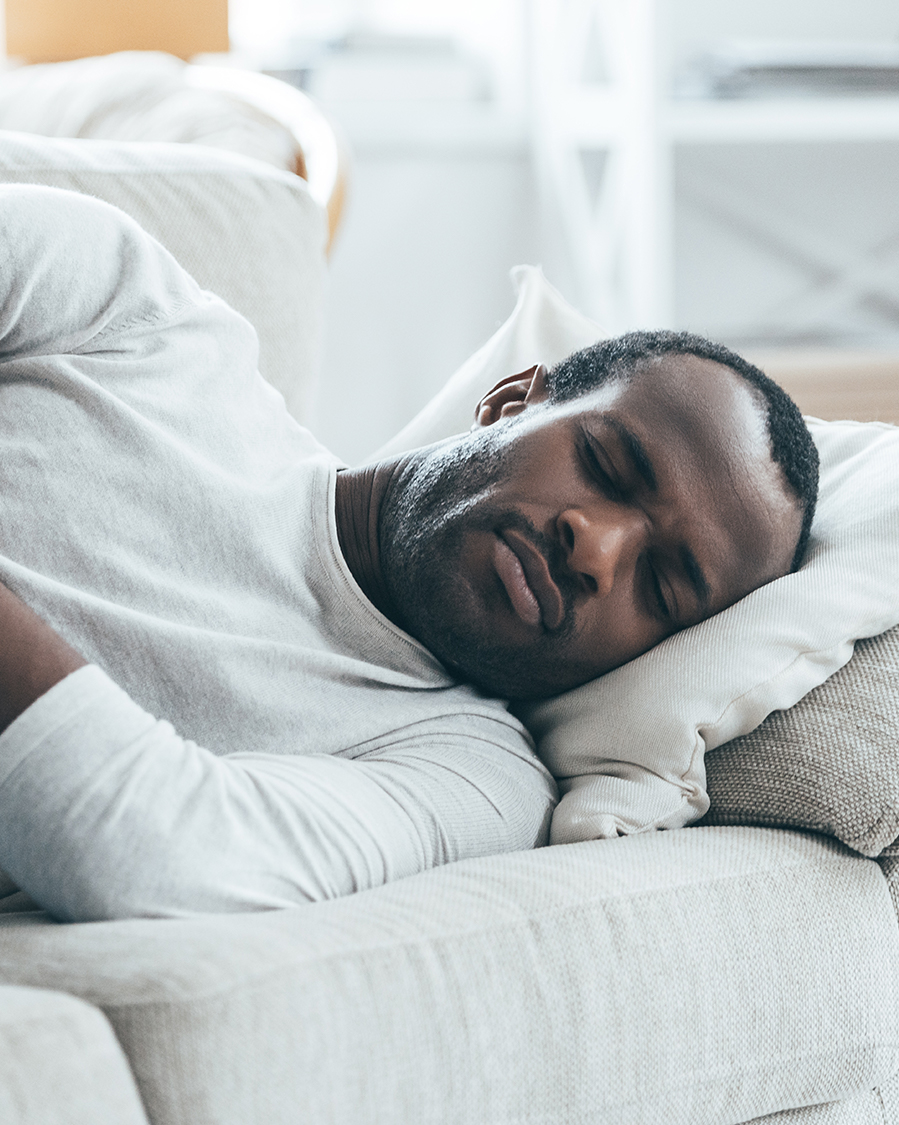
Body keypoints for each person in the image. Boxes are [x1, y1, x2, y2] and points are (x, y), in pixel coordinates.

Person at [0, 185, 818, 922]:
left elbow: (148, 851)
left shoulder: (469, 778)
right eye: (605, 463)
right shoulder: (142, 323)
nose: (596, 550)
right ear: (509, 403)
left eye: (662, 584)